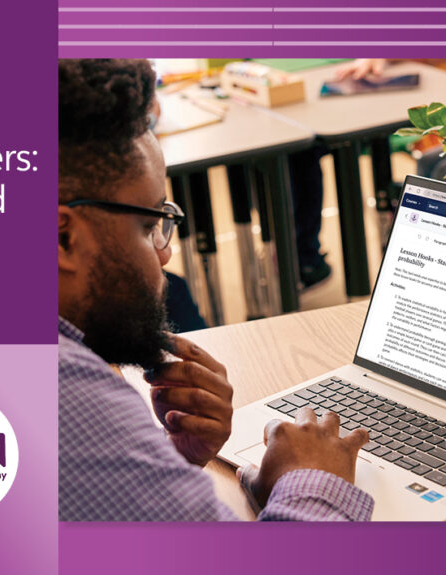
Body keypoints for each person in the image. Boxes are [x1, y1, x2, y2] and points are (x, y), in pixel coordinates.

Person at [58, 59, 374, 521]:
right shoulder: (68, 397)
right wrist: (311, 480)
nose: (164, 254)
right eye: (148, 225)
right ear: (63, 237)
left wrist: (167, 462)